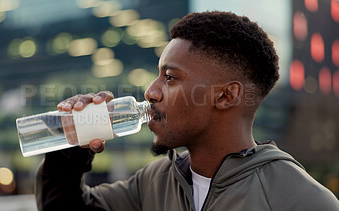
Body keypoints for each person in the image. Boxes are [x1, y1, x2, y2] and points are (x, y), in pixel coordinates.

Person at [35, 11, 339, 211]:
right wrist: (70, 154)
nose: (151, 92)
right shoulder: (154, 182)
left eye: (170, 77)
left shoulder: (303, 202)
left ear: (225, 95)